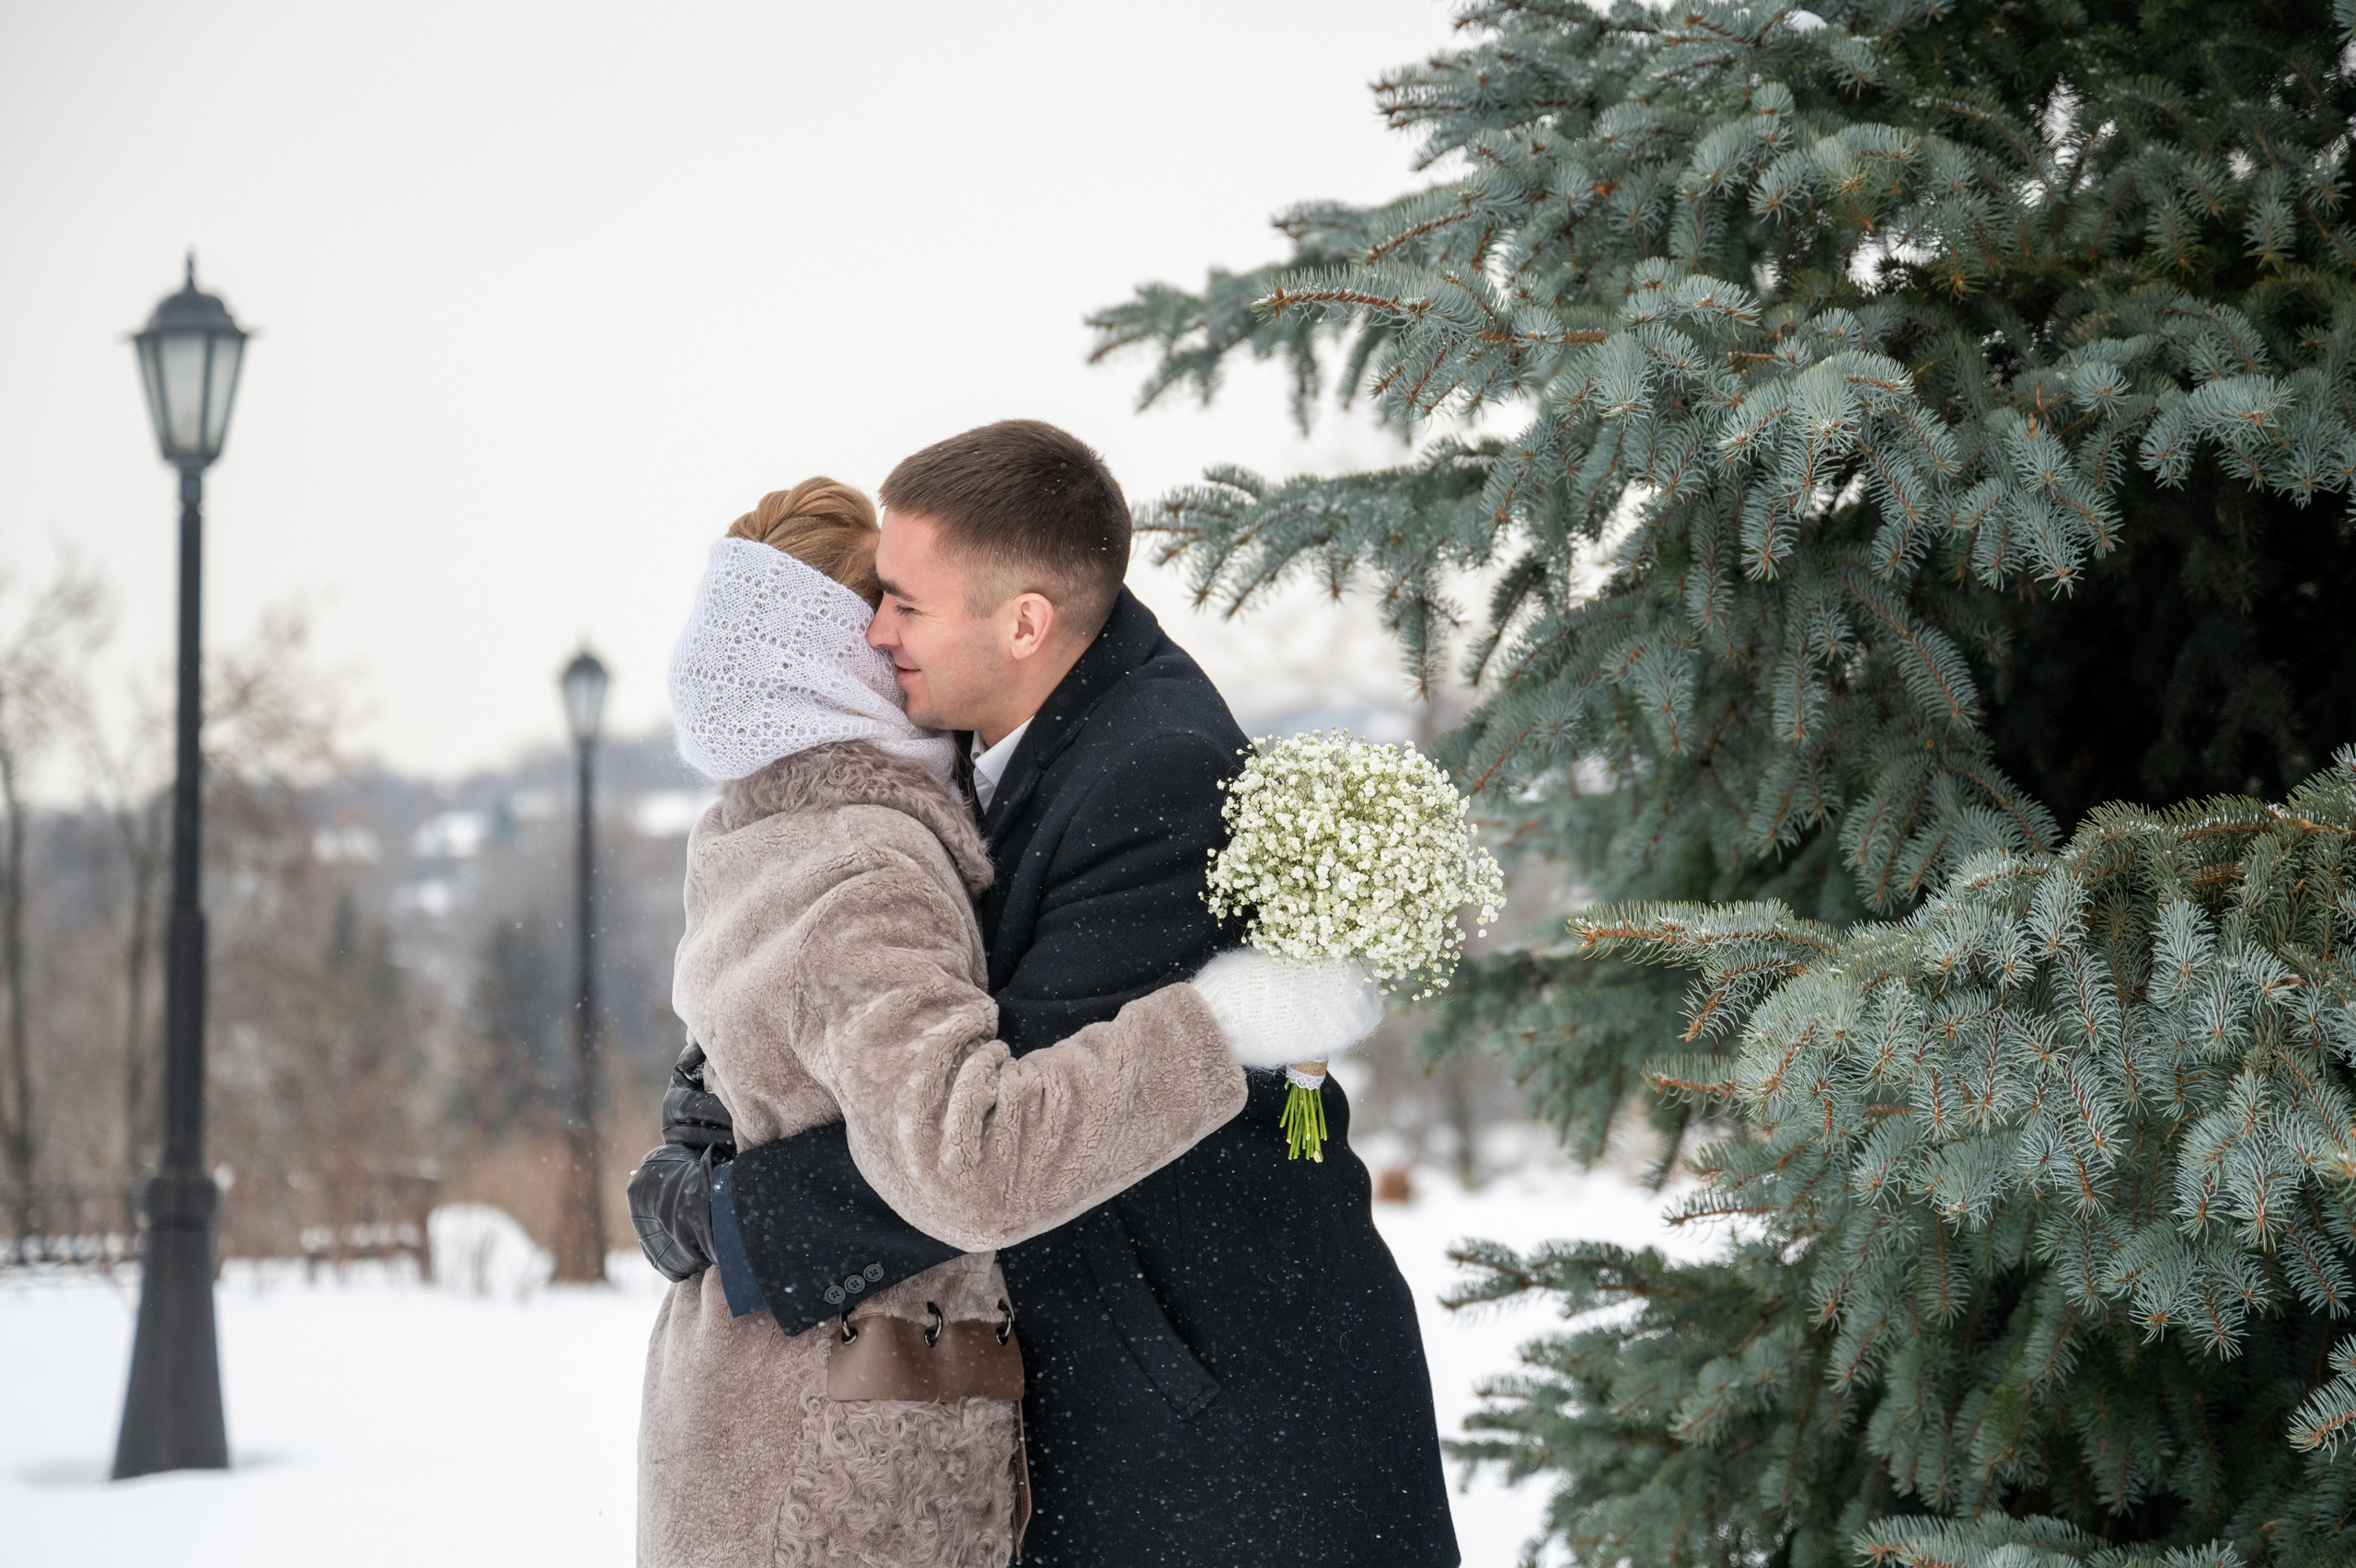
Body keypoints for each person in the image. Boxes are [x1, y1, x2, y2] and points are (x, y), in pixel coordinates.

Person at [634, 426, 1461, 1566]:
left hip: (1224, 1431)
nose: (875, 632)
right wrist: (717, 1090)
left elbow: (989, 1134)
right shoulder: (976, 748)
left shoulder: (1148, 777)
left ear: (1023, 621)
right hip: (1124, 1408)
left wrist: (734, 1214)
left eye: (905, 606)